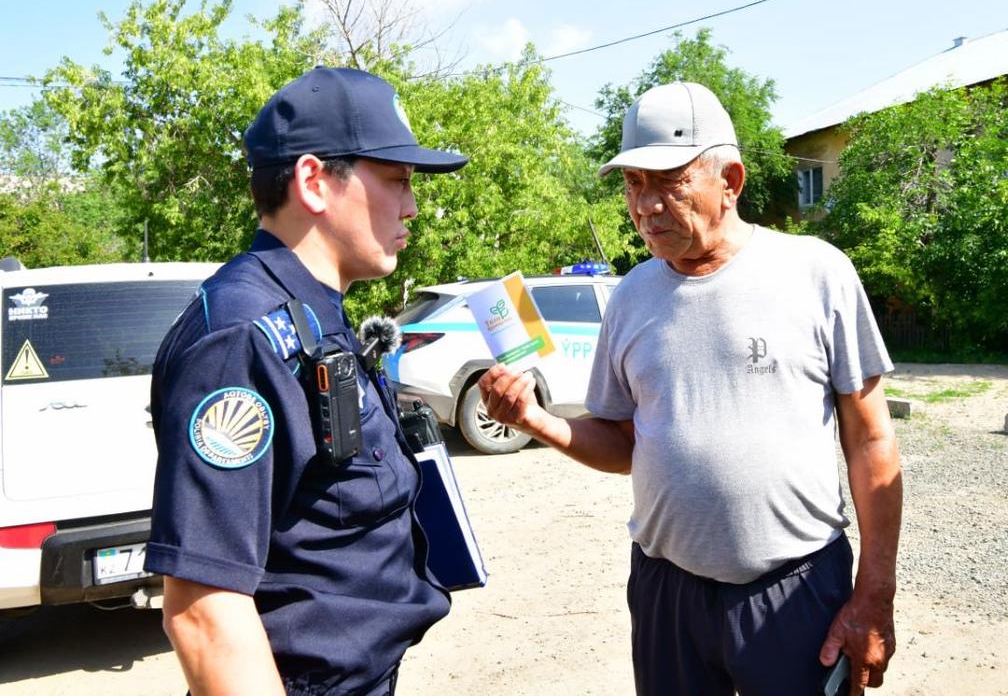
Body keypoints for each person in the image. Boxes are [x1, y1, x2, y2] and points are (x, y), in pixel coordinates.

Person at [480, 81, 902, 696]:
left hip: (797, 590)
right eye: (632, 184)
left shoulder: (816, 273)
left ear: (730, 180)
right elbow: (627, 442)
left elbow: (871, 443)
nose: (645, 205)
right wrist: (536, 420)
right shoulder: (630, 298)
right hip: (666, 595)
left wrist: (874, 595)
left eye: (667, 181)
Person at [144, 67, 468, 696]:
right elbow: (205, 610)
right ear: (315, 182)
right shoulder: (241, 339)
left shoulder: (316, 309)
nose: (413, 204)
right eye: (397, 179)